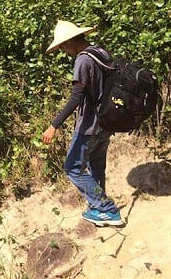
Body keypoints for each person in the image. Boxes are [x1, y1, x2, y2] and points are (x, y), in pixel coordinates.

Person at [42, 20, 123, 227]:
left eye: (62, 46)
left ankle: (106, 209)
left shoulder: (82, 60)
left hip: (89, 125)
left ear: (70, 42)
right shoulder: (100, 52)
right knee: (97, 165)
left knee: (72, 168)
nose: (62, 50)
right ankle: (99, 207)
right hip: (106, 122)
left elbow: (76, 96)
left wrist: (54, 125)